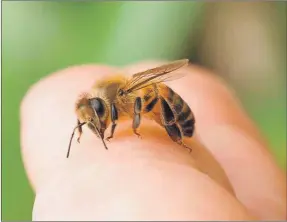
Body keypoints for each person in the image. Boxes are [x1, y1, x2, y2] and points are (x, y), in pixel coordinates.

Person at [20, 61, 286, 220]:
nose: (99, 124)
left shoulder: (121, 97)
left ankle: (177, 134)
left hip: (170, 105)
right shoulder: (102, 103)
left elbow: (142, 104)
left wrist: (135, 129)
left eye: (98, 118)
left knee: (155, 100)